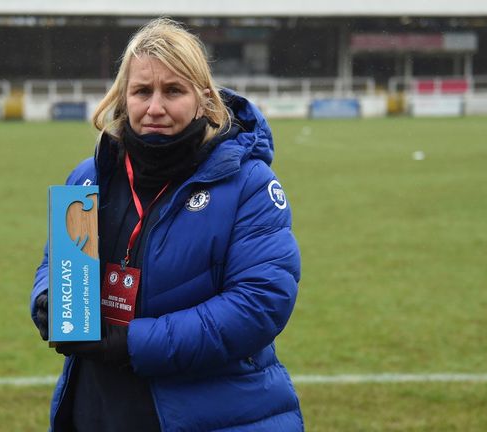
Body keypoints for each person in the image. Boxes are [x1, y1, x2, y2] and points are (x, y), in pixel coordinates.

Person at [30, 18, 303, 432]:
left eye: (173, 90)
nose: (155, 107)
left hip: (209, 414)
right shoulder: (89, 177)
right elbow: (56, 262)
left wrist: (133, 343)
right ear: (124, 97)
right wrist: (48, 300)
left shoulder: (249, 184)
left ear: (204, 99)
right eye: (142, 91)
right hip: (97, 408)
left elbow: (259, 304)